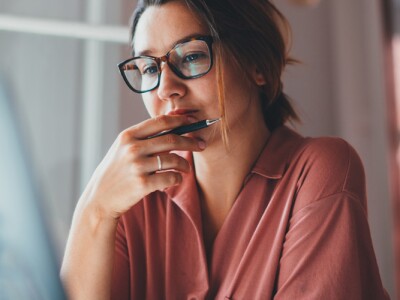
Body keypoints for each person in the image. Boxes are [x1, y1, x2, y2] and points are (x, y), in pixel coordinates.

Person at [60, 0, 389, 299]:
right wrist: (96, 209)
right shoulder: (133, 201)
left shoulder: (320, 170)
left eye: (191, 57)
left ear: (256, 65)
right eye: (149, 68)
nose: (167, 88)